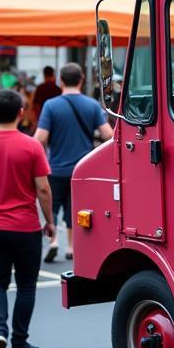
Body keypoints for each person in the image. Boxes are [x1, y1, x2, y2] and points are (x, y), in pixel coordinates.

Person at [0, 89, 54, 348]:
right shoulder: (32, 146)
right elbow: (42, 188)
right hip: (25, 225)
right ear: (21, 113)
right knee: (26, 285)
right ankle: (20, 344)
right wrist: (50, 221)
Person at [34, 63, 112, 263]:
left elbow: (40, 138)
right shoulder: (92, 105)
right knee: (76, 208)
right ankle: (71, 246)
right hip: (82, 169)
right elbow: (108, 135)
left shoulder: (51, 105)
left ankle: (53, 242)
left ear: (61, 81)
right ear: (81, 80)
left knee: (52, 206)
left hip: (56, 168)